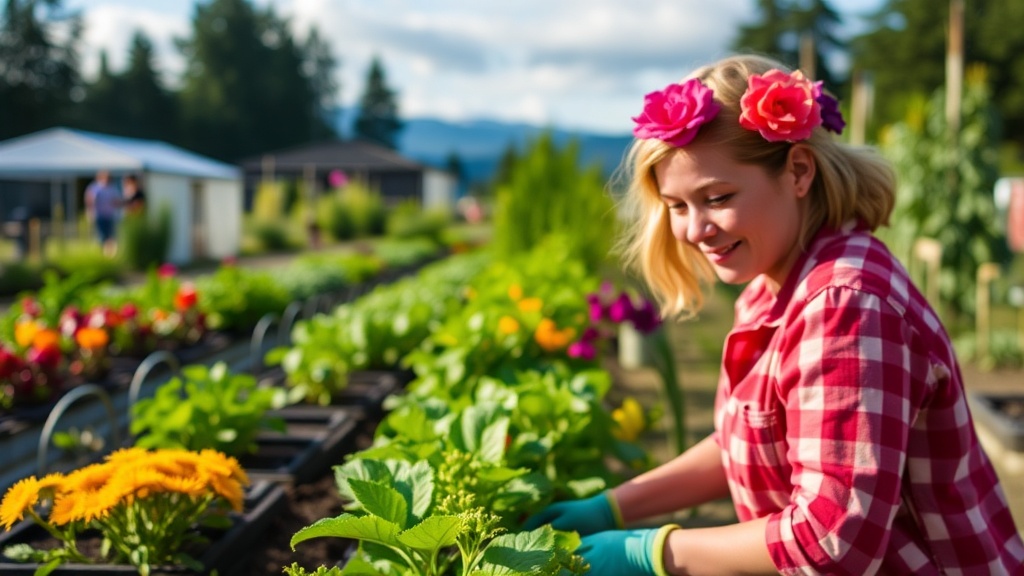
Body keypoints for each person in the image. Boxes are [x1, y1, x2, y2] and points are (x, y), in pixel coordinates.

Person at [524, 54, 1024, 575]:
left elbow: (833, 540)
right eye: (676, 206)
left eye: (717, 197)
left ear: (799, 171)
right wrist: (612, 508)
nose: (695, 230)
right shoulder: (773, 282)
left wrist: (654, 553)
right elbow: (748, 437)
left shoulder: (845, 306)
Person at [84, 169, 121, 257]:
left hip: (110, 215)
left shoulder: (112, 188)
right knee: (102, 236)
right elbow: (90, 200)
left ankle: (108, 255)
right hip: (100, 215)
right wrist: (90, 211)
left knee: (111, 236)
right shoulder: (96, 188)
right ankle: (101, 254)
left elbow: (116, 201)